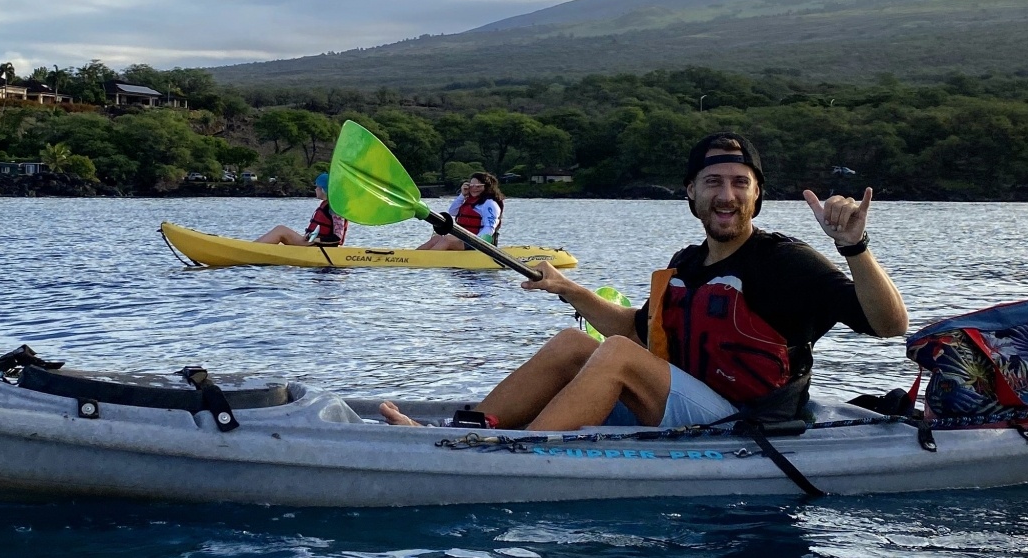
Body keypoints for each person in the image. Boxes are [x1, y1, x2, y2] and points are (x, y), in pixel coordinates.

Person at [380, 133, 907, 430]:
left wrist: (854, 246)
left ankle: (505, 457)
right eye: (713, 182)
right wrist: (569, 290)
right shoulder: (687, 263)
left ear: (756, 196)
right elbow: (638, 330)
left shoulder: (787, 262)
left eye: (739, 184)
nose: (726, 195)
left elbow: (889, 325)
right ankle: (470, 431)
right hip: (685, 403)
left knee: (614, 355)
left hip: (745, 424)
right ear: (691, 193)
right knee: (574, 343)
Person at [416, 171, 504, 250]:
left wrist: (478, 244)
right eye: (471, 185)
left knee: (447, 240)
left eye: (478, 186)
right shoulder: (468, 200)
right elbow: (452, 211)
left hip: (479, 242)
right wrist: (462, 195)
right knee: (437, 238)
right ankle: (413, 258)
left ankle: (427, 259)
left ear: (487, 187)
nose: (474, 188)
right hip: (464, 238)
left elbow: (489, 228)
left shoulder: (490, 204)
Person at [256, 172, 348, 247]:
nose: (315, 189)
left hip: (318, 246)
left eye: (317, 187)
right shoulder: (327, 205)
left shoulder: (335, 209)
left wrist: (314, 239)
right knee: (280, 229)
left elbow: (337, 238)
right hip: (313, 243)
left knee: (280, 230)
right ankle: (253, 247)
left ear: (324, 189)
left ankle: (254, 249)